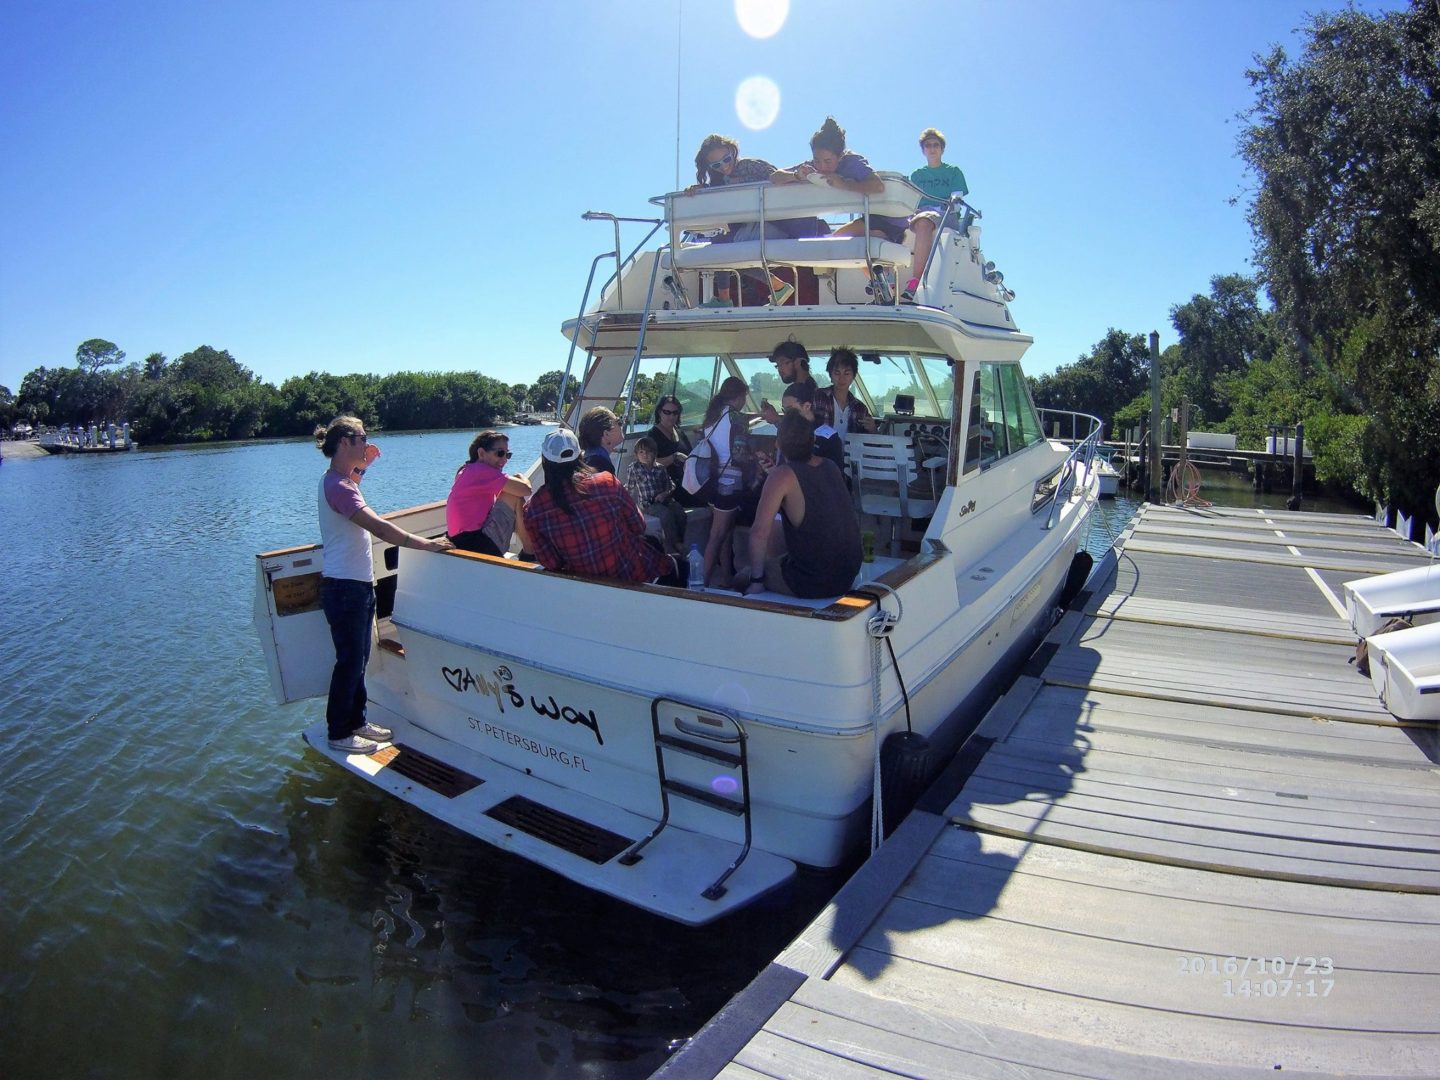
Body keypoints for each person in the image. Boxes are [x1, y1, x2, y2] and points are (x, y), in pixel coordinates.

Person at [315, 416, 453, 754]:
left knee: (359, 660)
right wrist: (426, 544)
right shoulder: (337, 486)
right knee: (349, 662)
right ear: (345, 442)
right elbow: (379, 527)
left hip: (356, 585)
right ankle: (339, 733)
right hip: (345, 588)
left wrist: (364, 467)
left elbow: (353, 488)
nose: (367, 442)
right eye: (362, 438)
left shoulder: (338, 481)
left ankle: (358, 721)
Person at [523, 428, 683, 586]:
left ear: (545, 460)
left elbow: (551, 563)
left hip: (585, 587)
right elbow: (638, 526)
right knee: (679, 564)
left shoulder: (533, 510)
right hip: (633, 576)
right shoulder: (607, 483)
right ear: (580, 455)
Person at [740, 411, 863, 599]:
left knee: (742, 576)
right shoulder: (831, 466)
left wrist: (756, 582)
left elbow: (759, 533)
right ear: (813, 439)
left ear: (778, 444)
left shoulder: (781, 476)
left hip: (813, 580)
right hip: (847, 575)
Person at [688, 134, 806, 307]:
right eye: (716, 165)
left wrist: (796, 175)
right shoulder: (719, 179)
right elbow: (719, 194)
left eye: (727, 159)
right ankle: (777, 287)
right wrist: (702, 189)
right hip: (754, 224)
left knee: (722, 246)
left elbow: (775, 177)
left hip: (774, 223)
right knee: (723, 245)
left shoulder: (749, 165)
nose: (724, 166)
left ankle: (727, 300)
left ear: (732, 151)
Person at [697, 377, 758, 584]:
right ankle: (699, 583)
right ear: (739, 396)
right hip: (730, 482)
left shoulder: (711, 417)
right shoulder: (737, 418)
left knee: (725, 532)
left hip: (711, 480)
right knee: (718, 534)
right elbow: (741, 454)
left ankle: (726, 578)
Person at [445, 430, 534, 558]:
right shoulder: (481, 471)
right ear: (481, 453)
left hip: (460, 541)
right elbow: (525, 489)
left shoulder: (466, 470)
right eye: (500, 453)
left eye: (507, 455)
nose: (504, 459)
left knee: (509, 491)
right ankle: (529, 551)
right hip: (478, 545)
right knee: (514, 496)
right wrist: (522, 477)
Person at [905, 127, 969, 302]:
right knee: (889, 227)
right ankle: (886, 283)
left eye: (935, 145)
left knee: (924, 222)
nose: (932, 148)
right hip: (920, 214)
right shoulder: (917, 175)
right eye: (928, 145)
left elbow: (957, 197)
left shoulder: (953, 171)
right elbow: (911, 201)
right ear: (923, 150)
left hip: (946, 214)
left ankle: (915, 282)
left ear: (942, 149)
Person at [625, 436, 687, 552]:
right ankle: (675, 544)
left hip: (664, 500)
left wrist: (665, 494)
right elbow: (629, 488)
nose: (645, 455)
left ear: (655, 453)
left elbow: (671, 485)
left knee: (680, 511)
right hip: (648, 504)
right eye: (641, 452)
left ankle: (680, 540)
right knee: (666, 515)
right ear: (636, 455)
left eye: (649, 452)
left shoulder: (661, 468)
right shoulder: (633, 469)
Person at [778, 381, 845, 475]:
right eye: (784, 410)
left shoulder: (829, 438)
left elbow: (835, 478)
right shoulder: (787, 434)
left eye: (789, 410)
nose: (786, 415)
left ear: (807, 406)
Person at [646, 395, 699, 505]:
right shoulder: (653, 435)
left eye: (675, 413)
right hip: (667, 487)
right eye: (667, 412)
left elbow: (690, 455)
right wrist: (674, 457)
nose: (672, 416)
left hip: (686, 482)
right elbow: (648, 464)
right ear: (660, 412)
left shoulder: (680, 432)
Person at [814, 346, 878, 437]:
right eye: (837, 373)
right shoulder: (818, 397)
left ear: (853, 377)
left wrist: (873, 430)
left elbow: (872, 442)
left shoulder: (860, 408)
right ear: (830, 375)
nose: (841, 378)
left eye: (847, 373)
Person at [759, 339, 817, 424]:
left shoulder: (809, 393)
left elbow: (800, 434)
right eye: (777, 365)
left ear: (799, 362)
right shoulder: (811, 388)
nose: (780, 369)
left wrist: (777, 420)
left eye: (784, 363)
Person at [578, 406, 623, 474]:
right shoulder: (603, 467)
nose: (621, 426)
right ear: (606, 434)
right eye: (618, 422)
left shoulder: (586, 460)